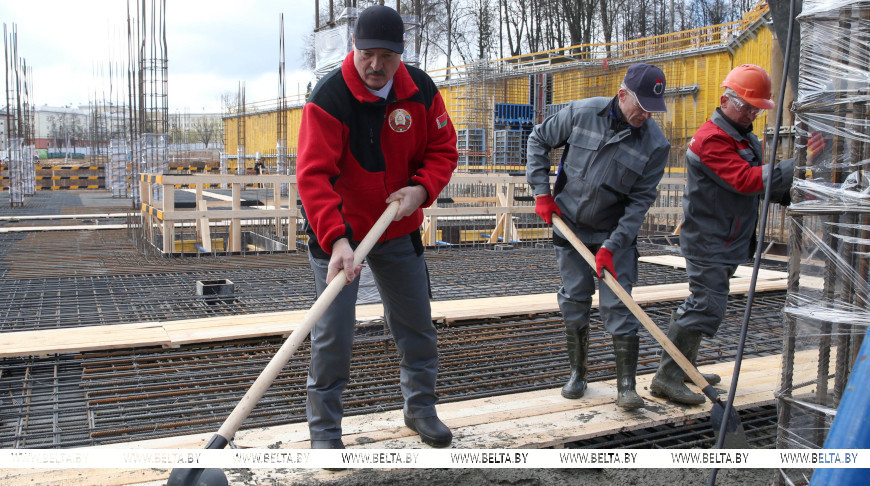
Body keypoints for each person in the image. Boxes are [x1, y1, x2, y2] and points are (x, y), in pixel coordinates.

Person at [296, 4, 458, 451]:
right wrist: (338, 240)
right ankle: (325, 432)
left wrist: (421, 191)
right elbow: (313, 177)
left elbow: (443, 149)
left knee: (416, 324)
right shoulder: (328, 99)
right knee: (333, 336)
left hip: (396, 229)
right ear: (355, 48)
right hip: (340, 238)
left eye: (386, 55)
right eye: (367, 53)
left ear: (400, 54)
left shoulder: (421, 91)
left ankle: (420, 408)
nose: (375, 65)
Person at [526, 63, 671, 410]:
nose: (646, 117)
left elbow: (639, 203)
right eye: (641, 108)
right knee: (575, 300)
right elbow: (538, 139)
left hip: (613, 232)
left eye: (653, 111)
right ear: (622, 95)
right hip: (570, 227)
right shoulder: (581, 112)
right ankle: (578, 373)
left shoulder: (656, 144)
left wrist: (614, 244)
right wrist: (541, 192)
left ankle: (626, 386)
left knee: (618, 305)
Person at [649, 64, 795, 405]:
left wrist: (786, 190)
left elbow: (756, 185)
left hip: (730, 238)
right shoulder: (711, 139)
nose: (751, 114)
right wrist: (795, 165)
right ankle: (666, 377)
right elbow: (744, 180)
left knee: (700, 304)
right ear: (724, 100)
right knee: (705, 306)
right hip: (709, 241)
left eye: (756, 108)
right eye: (745, 107)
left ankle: (684, 367)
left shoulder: (746, 137)